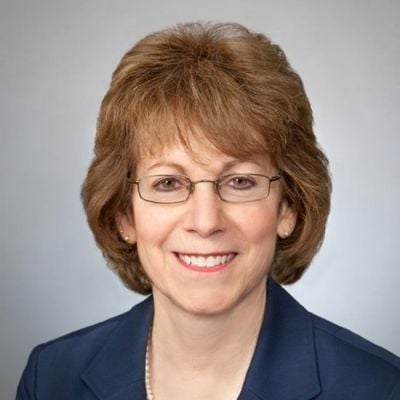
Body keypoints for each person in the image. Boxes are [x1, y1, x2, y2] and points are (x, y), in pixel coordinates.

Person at [16, 22, 400, 400]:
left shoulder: (379, 389)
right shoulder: (51, 378)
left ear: (288, 207)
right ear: (123, 215)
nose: (205, 222)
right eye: (168, 184)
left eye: (240, 182)